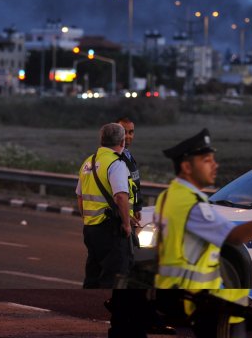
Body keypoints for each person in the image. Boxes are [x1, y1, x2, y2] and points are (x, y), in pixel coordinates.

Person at [155, 128, 252, 338]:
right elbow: (236, 237)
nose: (215, 165)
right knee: (241, 315)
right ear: (186, 166)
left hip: (178, 290)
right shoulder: (192, 205)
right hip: (196, 296)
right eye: (207, 160)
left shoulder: (168, 195)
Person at [107, 117, 175, 338]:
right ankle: (136, 317)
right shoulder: (114, 158)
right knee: (133, 271)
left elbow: (134, 186)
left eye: (132, 132)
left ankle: (130, 314)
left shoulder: (128, 157)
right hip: (120, 223)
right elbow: (117, 193)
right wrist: (126, 217)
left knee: (132, 271)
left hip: (131, 220)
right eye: (124, 132)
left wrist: (137, 207)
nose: (128, 136)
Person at [76, 122, 134, 289]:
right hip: (110, 229)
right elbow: (121, 197)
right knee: (113, 276)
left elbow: (80, 196)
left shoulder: (88, 162)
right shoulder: (116, 164)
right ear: (122, 142)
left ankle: (87, 311)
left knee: (93, 273)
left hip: (90, 228)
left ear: (102, 140)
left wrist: (87, 219)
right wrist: (126, 224)